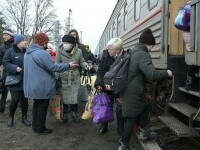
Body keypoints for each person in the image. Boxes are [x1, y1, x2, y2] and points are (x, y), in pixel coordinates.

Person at [118, 28, 173, 150]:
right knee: (131, 118)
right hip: (133, 92)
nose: (152, 49)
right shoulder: (143, 54)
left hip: (129, 89)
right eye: (152, 46)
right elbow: (152, 74)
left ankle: (145, 133)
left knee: (145, 107)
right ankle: (123, 144)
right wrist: (167, 73)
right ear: (148, 44)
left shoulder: (132, 51)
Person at [23, 33, 79, 135]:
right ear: (44, 42)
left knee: (36, 105)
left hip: (32, 85)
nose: (47, 44)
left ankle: (35, 126)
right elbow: (53, 67)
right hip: (42, 85)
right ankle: (41, 128)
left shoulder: (28, 53)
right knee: (42, 106)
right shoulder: (41, 53)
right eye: (46, 42)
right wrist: (68, 65)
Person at [95, 37, 125, 135]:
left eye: (110, 49)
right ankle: (104, 125)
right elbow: (100, 71)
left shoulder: (125, 57)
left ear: (118, 50)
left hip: (120, 87)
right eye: (108, 49)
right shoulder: (105, 56)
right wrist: (99, 84)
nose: (108, 51)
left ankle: (121, 130)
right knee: (106, 105)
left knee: (120, 109)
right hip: (107, 86)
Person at [55, 35, 88, 124]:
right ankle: (64, 114)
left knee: (74, 96)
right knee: (64, 97)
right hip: (64, 77)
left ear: (72, 44)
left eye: (67, 43)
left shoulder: (79, 51)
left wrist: (86, 66)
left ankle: (74, 113)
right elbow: (56, 64)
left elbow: (82, 61)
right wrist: (56, 77)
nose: (65, 45)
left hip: (75, 78)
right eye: (64, 43)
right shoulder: (60, 51)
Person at [3, 34, 31, 127]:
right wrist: (14, 68)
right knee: (14, 99)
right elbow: (6, 63)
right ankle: (11, 117)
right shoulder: (10, 52)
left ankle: (24, 118)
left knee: (24, 100)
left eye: (26, 40)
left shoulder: (28, 52)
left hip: (25, 80)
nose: (25, 42)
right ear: (18, 42)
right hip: (14, 80)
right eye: (23, 41)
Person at [0, 29, 14, 112]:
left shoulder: (15, 45)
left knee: (15, 90)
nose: (4, 36)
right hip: (6, 72)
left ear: (10, 35)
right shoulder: (1, 47)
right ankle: (2, 107)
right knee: (4, 90)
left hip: (16, 71)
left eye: (6, 35)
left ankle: (18, 104)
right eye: (3, 35)